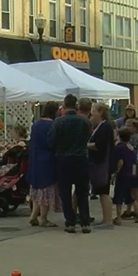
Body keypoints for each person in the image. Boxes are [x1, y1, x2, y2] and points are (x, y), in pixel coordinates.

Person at [48, 95, 92, 234]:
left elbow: (51, 141)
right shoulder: (84, 121)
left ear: (64, 105)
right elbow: (87, 137)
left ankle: (70, 222)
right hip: (81, 158)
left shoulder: (58, 122)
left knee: (65, 192)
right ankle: (85, 222)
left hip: (63, 159)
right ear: (77, 105)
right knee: (82, 192)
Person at [27, 101, 60, 228]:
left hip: (35, 160)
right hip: (48, 160)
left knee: (37, 190)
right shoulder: (52, 125)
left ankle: (34, 215)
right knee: (46, 190)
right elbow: (53, 143)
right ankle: (43, 218)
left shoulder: (36, 124)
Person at [88, 103, 116, 229]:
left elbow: (100, 145)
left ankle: (108, 220)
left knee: (104, 192)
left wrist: (87, 145)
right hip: (102, 162)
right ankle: (106, 218)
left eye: (93, 111)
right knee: (102, 191)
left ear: (100, 112)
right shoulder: (102, 126)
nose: (91, 113)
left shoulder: (104, 127)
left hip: (103, 163)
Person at [111, 127, 138, 225]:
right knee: (129, 196)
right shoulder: (131, 148)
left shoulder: (119, 147)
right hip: (131, 174)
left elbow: (120, 162)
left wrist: (116, 172)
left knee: (118, 196)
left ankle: (118, 218)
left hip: (122, 174)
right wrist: (133, 174)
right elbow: (134, 163)